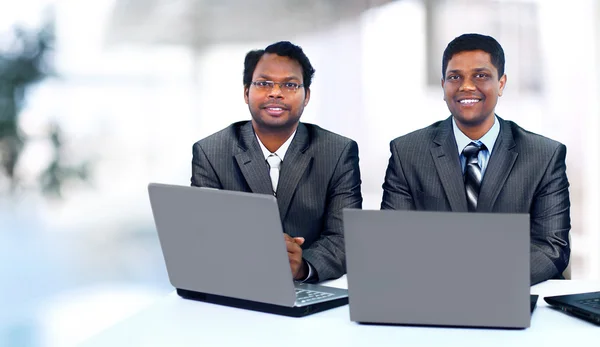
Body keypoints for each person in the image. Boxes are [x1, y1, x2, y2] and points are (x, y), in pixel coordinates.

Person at [381, 33, 570, 285]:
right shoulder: (407, 152)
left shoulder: (544, 155)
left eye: (480, 76)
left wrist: (486, 278)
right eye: (454, 77)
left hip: (511, 290)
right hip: (433, 289)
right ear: (443, 85)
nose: (466, 86)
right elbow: (394, 241)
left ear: (501, 84)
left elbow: (551, 247)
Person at [191, 41, 362, 283]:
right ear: (246, 92)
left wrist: (302, 266)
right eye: (263, 83)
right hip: (236, 284)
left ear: (306, 96)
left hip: (309, 288)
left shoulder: (337, 152)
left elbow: (345, 238)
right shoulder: (211, 152)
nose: (275, 93)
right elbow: (204, 235)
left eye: (290, 85)